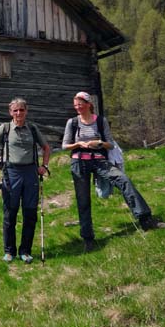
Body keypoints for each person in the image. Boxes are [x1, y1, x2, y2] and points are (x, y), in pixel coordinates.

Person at [62, 91, 157, 252]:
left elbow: (110, 144)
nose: (77, 107)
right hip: (79, 163)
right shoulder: (72, 122)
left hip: (99, 160)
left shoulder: (100, 121)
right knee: (83, 200)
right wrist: (79, 144)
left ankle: (145, 219)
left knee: (123, 180)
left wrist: (98, 142)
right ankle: (88, 238)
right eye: (75, 105)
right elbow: (65, 145)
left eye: (80, 104)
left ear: (88, 104)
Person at [0, 98, 50, 264]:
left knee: (30, 214)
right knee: (10, 213)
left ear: (26, 111)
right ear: (10, 112)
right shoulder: (5, 128)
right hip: (11, 173)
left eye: (21, 110)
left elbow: (46, 148)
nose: (19, 113)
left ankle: (25, 251)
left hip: (30, 173)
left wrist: (44, 165)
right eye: (15, 110)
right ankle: (9, 251)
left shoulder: (33, 129)